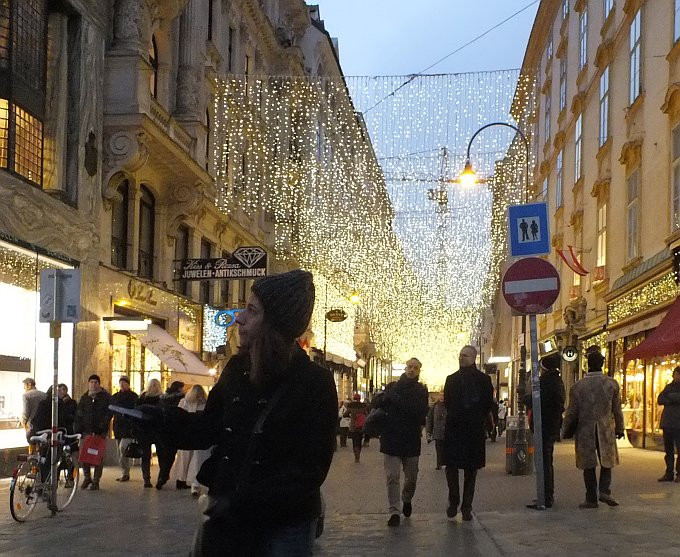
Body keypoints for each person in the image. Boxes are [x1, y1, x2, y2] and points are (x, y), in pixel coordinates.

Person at [138, 269, 337, 556]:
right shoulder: (237, 368)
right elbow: (207, 428)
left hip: (283, 525)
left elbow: (309, 470)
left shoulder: (314, 383)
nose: (240, 318)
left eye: (252, 311)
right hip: (230, 520)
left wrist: (245, 500)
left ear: (274, 324)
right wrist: (161, 419)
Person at [562, 346, 624, 508]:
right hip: (606, 427)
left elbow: (572, 411)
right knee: (607, 460)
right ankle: (604, 490)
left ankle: (591, 497)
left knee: (588, 464)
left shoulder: (578, 387)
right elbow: (617, 409)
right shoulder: (611, 384)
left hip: (585, 429)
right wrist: (620, 428)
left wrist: (565, 429)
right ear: (602, 364)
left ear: (588, 364)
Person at [373, 357, 429, 527]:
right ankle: (394, 511)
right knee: (392, 477)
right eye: (409, 367)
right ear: (405, 368)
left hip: (411, 440)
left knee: (411, 478)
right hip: (391, 438)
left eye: (415, 368)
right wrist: (384, 398)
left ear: (419, 371)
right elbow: (376, 403)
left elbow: (419, 411)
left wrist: (394, 399)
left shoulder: (421, 390)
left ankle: (406, 498)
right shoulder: (392, 387)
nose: (411, 370)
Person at [443, 345, 494, 522]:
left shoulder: (484, 380)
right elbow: (447, 403)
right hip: (455, 429)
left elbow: (488, 403)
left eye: (465, 355)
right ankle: (454, 499)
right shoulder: (451, 379)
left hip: (473, 430)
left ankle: (466, 506)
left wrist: (477, 418)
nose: (461, 358)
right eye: (460, 355)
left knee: (471, 470)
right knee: (451, 467)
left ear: (474, 358)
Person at [523, 352, 565, 509]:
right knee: (546, 461)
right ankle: (546, 495)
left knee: (543, 463)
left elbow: (537, 400)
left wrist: (526, 399)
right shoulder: (557, 381)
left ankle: (546, 497)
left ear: (544, 369)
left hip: (544, 426)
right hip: (551, 426)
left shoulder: (547, 382)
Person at [75, 374, 112, 491]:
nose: (93, 384)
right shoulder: (85, 397)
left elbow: (108, 414)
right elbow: (79, 413)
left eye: (96, 382)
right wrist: (79, 428)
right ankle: (87, 477)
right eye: (91, 382)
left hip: (100, 431)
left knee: (97, 456)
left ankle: (96, 480)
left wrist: (102, 426)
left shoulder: (105, 397)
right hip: (86, 431)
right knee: (85, 455)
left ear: (99, 384)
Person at [174, 385, 210, 496]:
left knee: (194, 459)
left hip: (195, 434)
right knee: (188, 458)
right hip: (191, 434)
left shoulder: (200, 403)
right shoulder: (186, 402)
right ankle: (183, 479)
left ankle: (193, 483)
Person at [155, 380, 185, 489]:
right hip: (174, 429)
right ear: (179, 388)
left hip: (161, 428)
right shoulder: (181, 398)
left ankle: (162, 476)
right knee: (170, 455)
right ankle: (163, 476)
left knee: (163, 454)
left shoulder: (162, 399)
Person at [135, 378, 163, 488]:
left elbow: (136, 413)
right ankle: (161, 478)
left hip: (144, 431)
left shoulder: (142, 398)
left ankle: (146, 479)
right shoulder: (161, 399)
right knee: (161, 455)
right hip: (157, 430)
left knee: (145, 456)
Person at [110, 376, 139, 482]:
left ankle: (125, 472)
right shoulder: (115, 397)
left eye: (124, 383)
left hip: (129, 427)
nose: (122, 384)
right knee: (120, 451)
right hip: (118, 427)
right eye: (121, 382)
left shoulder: (134, 397)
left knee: (123, 448)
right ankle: (125, 472)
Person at [656, 366, 680, 482]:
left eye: (678, 375)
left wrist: (670, 398)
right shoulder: (668, 387)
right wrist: (673, 399)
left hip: (678, 423)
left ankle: (679, 473)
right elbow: (660, 399)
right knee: (668, 450)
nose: (676, 377)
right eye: (675, 374)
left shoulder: (669, 390)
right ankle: (669, 472)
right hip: (668, 422)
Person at [22, 378, 45, 452]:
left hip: (32, 423)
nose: (24, 388)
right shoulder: (44, 395)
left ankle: (33, 461)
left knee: (32, 443)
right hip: (43, 423)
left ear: (29, 385)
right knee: (41, 445)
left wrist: (24, 420)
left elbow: (26, 411)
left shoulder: (26, 396)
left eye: (24, 386)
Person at [426, 393, 447, 470]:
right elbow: (430, 420)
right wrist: (429, 432)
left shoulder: (450, 405)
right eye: (441, 395)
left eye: (444, 395)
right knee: (439, 448)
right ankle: (439, 463)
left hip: (448, 432)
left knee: (446, 448)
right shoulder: (434, 406)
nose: (442, 397)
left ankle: (446, 462)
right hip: (438, 432)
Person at [346, 393, 368, 463]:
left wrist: (351, 416)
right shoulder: (363, 406)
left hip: (353, 426)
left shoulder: (351, 406)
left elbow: (345, 414)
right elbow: (367, 415)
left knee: (354, 441)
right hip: (361, 427)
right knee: (359, 441)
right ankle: (358, 455)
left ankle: (356, 455)